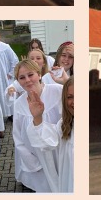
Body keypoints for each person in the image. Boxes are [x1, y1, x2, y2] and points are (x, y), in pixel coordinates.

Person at [12, 58, 63, 192]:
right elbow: (18, 138)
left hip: (60, 154)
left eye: (30, 75)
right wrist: (33, 163)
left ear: (39, 74)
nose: (27, 80)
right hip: (38, 160)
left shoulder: (57, 91)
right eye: (22, 77)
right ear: (18, 81)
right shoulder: (18, 104)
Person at [26, 76, 74, 193]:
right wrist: (37, 117)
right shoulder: (65, 125)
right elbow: (48, 143)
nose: (74, 102)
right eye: (69, 97)